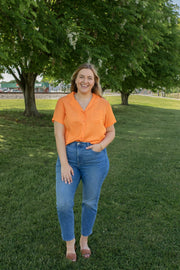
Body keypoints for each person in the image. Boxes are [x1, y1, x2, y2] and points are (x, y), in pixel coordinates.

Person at [52, 63, 116, 262]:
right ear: (75, 79)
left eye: (89, 77)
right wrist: (64, 163)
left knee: (89, 202)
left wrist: (101, 146)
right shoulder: (63, 102)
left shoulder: (103, 104)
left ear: (95, 81)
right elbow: (58, 134)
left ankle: (83, 241)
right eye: (81, 77)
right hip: (69, 156)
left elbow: (112, 132)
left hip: (94, 159)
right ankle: (69, 243)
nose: (85, 81)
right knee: (63, 203)